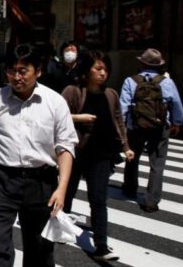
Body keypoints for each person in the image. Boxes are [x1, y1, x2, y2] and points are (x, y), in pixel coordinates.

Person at [0, 44, 77, 267]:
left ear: (37, 71)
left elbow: (66, 147)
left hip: (41, 182)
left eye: (23, 70)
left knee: (39, 250)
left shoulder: (55, 102)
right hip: (1, 179)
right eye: (12, 70)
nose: (16, 76)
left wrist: (62, 189)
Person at [61, 51, 134, 261]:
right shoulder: (73, 91)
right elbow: (56, 115)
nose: (103, 73)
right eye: (98, 68)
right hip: (75, 152)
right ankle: (61, 227)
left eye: (106, 69)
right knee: (67, 193)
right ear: (87, 70)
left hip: (102, 154)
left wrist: (126, 146)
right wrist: (79, 117)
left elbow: (118, 121)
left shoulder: (110, 94)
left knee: (98, 200)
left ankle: (101, 246)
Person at [120, 48, 183, 213]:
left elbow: (123, 106)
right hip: (160, 127)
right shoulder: (167, 82)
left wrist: (123, 127)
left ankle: (129, 187)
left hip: (136, 126)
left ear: (141, 63)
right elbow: (176, 104)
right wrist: (176, 123)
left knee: (133, 157)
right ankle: (151, 201)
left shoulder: (130, 81)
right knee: (157, 162)